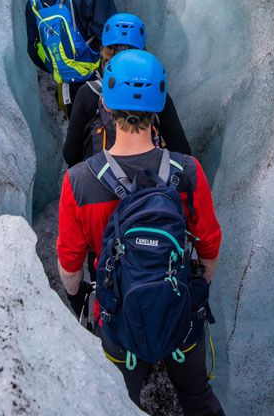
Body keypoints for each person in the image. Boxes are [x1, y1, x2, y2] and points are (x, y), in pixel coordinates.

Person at [57, 50, 224, 415]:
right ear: (159, 106)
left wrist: (79, 300)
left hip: (118, 326)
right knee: (198, 400)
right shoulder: (188, 172)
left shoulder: (78, 182)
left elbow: (70, 267)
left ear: (104, 104)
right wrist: (195, 291)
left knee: (118, 404)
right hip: (181, 322)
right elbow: (210, 247)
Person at [62, 13, 192, 166]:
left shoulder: (88, 93)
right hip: (151, 181)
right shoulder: (154, 92)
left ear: (104, 50)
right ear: (143, 51)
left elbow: (70, 155)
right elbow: (182, 152)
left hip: (98, 180)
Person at [25, 0, 116, 113]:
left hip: (67, 91)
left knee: (77, 138)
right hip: (99, 88)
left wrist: (61, 66)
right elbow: (114, 43)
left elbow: (33, 49)